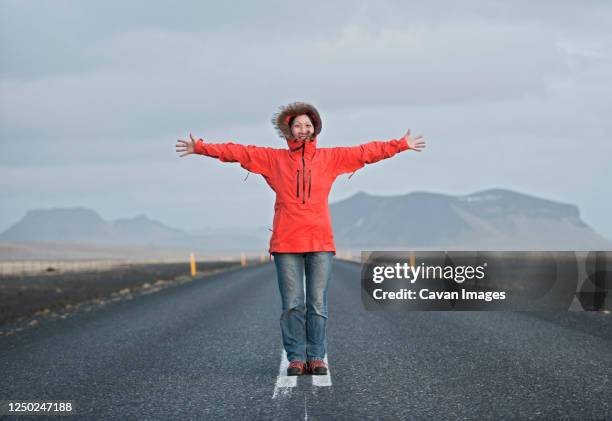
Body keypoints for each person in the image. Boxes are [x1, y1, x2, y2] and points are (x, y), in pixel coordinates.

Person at [175, 102, 426, 376]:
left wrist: (400, 144)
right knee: (292, 303)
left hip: (320, 242)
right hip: (286, 242)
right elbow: (238, 152)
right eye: (298, 125)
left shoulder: (331, 158)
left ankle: (317, 356)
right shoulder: (274, 160)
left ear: (315, 128)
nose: (303, 130)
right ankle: (296, 358)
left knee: (318, 303)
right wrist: (200, 147)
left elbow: (366, 152)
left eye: (308, 125)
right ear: (288, 130)